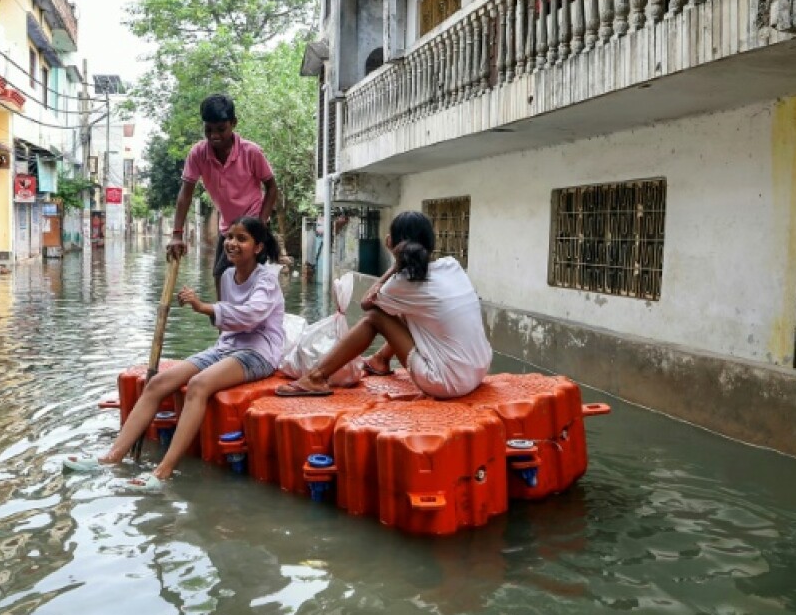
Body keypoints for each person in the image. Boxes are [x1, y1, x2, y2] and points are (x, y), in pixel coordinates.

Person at [66, 216, 286, 491]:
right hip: (227, 347)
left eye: (241, 239)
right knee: (157, 383)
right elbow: (229, 323)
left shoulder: (267, 280)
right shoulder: (229, 275)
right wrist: (209, 312)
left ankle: (163, 471)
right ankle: (111, 457)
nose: (231, 243)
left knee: (198, 384)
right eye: (230, 237)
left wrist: (203, 307)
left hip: (259, 351)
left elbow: (252, 316)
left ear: (258, 247)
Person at [276, 210, 492, 399]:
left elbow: (367, 304)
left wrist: (395, 265)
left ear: (392, 242)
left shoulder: (403, 282)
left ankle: (316, 377)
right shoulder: (451, 265)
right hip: (480, 368)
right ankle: (380, 359)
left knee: (376, 317)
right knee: (407, 314)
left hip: (448, 383)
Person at [167, 94, 279, 300]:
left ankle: (243, 323)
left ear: (233, 124)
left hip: (253, 224)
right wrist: (176, 234)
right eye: (208, 130)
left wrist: (261, 225)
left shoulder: (251, 152)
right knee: (220, 277)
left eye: (221, 129)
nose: (214, 136)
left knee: (249, 282)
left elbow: (272, 188)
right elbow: (185, 194)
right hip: (227, 227)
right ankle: (224, 328)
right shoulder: (198, 154)